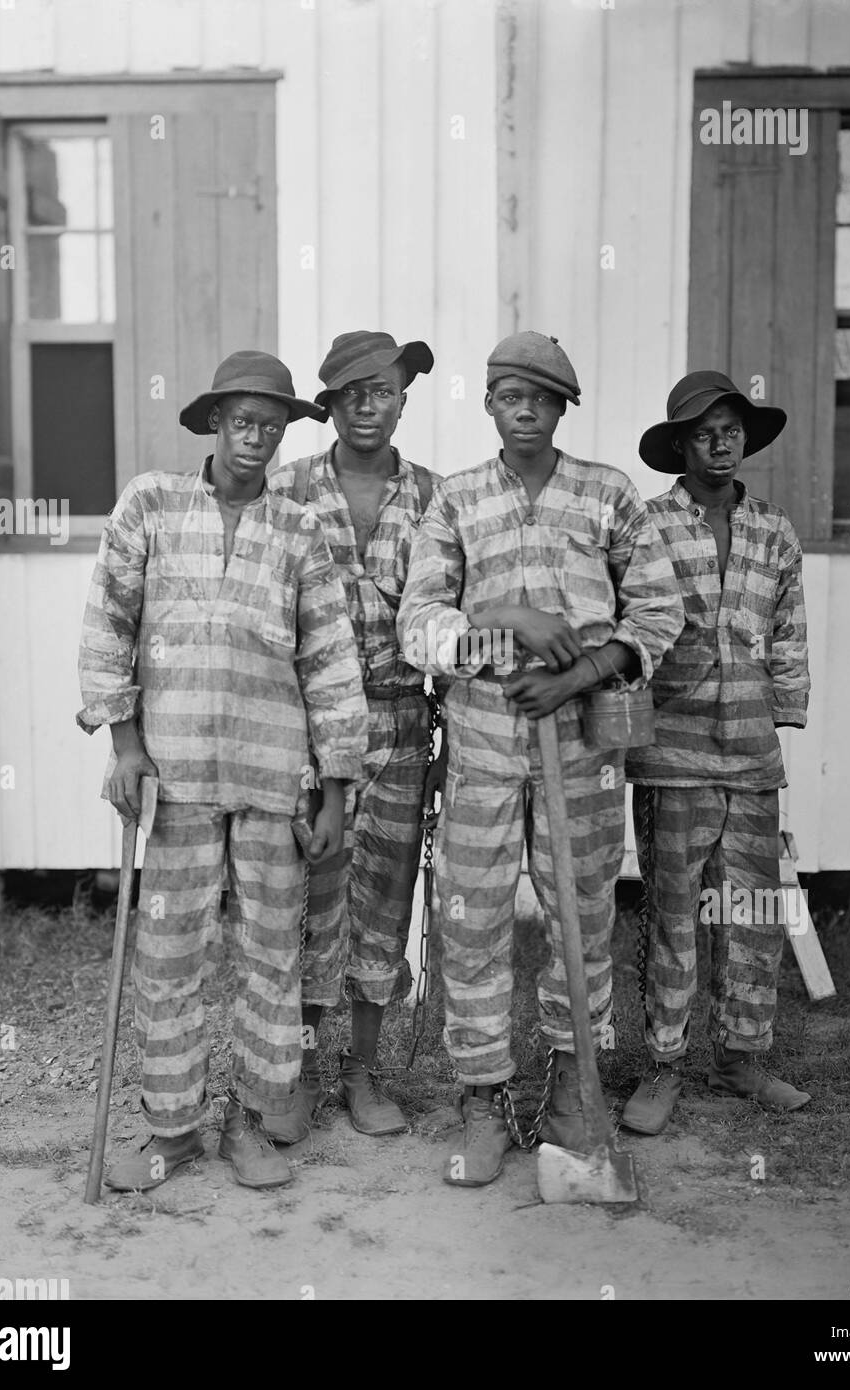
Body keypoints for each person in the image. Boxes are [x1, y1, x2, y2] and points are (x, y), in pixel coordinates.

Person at [397, 331, 684, 1186]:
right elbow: (419, 623)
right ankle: (484, 1100)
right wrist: (508, 625)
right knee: (472, 924)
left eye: (543, 399)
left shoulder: (608, 495)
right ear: (488, 404)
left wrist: (585, 674)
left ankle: (571, 1089)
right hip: (484, 748)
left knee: (581, 917)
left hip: (584, 748)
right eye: (510, 396)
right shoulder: (455, 500)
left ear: (563, 409)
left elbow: (658, 611)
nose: (526, 411)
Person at [77, 350, 368, 1191]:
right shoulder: (153, 506)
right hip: (173, 778)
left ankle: (249, 1120)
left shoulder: (300, 532)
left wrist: (336, 790)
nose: (257, 439)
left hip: (275, 780)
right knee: (170, 954)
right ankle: (173, 1131)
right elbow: (108, 624)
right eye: (243, 422)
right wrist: (126, 746)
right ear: (213, 422)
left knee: (271, 953)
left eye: (272, 427)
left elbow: (331, 663)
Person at [623, 370, 812, 1137]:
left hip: (751, 753)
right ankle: (664, 1064)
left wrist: (784, 709)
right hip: (672, 750)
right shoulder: (650, 526)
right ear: (681, 446)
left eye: (732, 429)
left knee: (752, 911)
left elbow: (789, 629)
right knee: (673, 912)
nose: (721, 442)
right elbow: (629, 627)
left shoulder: (774, 530)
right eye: (705, 432)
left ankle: (744, 1057)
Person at [269, 330, 446, 1139]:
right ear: (329, 406)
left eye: (381, 391)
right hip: (312, 729)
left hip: (405, 721)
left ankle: (363, 1074)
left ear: (404, 396)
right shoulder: (290, 489)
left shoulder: (440, 498)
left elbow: (453, 618)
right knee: (313, 900)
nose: (367, 407)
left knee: (383, 900)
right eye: (349, 395)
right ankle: (301, 1071)